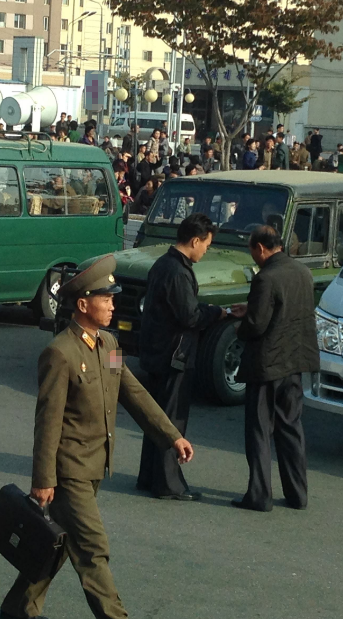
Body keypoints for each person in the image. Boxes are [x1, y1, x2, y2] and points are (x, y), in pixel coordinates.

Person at [0, 256, 194, 619]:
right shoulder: (60, 353)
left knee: (56, 543)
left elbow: (133, 393)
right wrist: (43, 480)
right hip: (69, 470)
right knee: (92, 549)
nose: (112, 304)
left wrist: (171, 436)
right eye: (106, 298)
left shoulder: (108, 345)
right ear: (84, 304)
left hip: (94, 467)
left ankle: (16, 610)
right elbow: (48, 422)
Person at [228, 226, 318, 512]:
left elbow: (257, 324)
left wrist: (239, 326)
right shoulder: (302, 273)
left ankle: (259, 495)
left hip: (267, 365)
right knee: (291, 428)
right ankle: (297, 493)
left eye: (253, 251)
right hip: (295, 361)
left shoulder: (265, 277)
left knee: (259, 430)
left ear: (261, 248)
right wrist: (250, 308)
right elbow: (286, 310)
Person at [137, 214, 225, 500]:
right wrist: (217, 312)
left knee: (156, 418)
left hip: (158, 350)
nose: (206, 251)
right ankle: (167, 483)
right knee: (172, 421)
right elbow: (189, 315)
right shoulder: (177, 271)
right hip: (174, 354)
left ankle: (150, 477)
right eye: (207, 245)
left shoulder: (164, 264)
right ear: (195, 240)